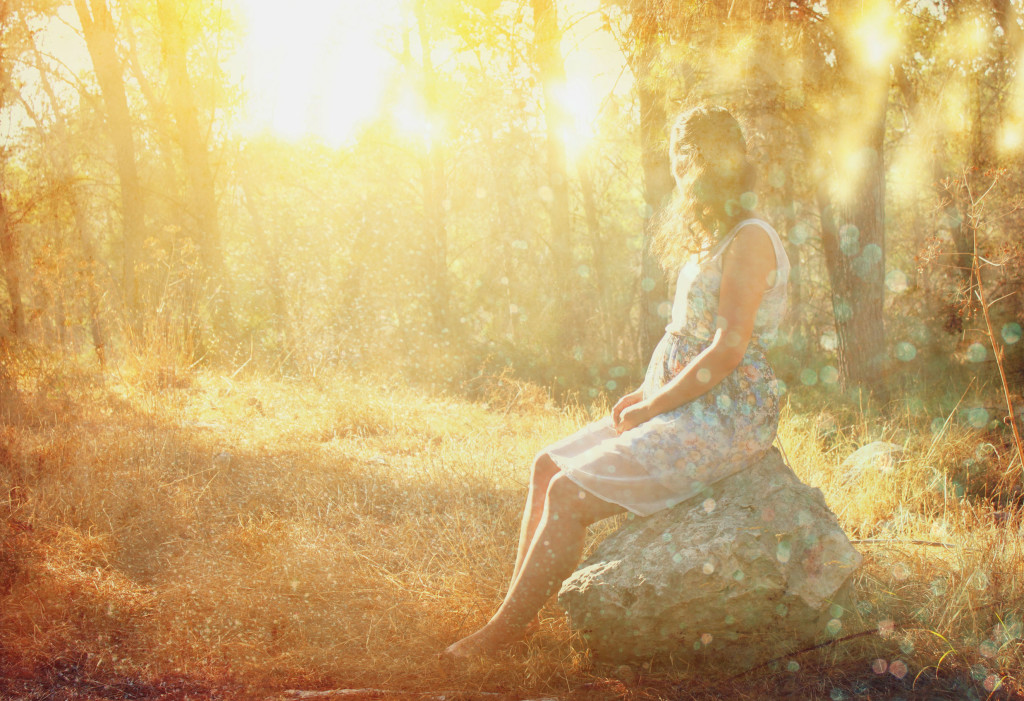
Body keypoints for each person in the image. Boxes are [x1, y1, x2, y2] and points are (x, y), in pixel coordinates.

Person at [442, 105, 791, 662]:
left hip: (723, 415)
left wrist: (654, 404)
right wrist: (646, 389)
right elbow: (687, 337)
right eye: (679, 157)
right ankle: (514, 617)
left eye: (688, 157)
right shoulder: (713, 235)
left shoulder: (749, 238)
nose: (682, 171)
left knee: (568, 493)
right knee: (546, 466)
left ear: (714, 160)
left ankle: (496, 640)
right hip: (682, 398)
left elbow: (727, 348)